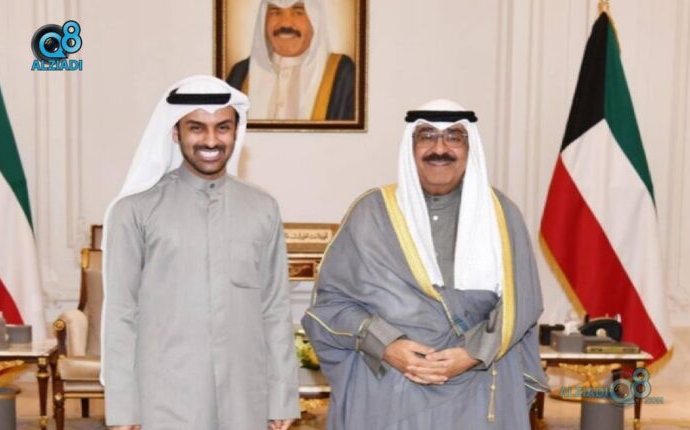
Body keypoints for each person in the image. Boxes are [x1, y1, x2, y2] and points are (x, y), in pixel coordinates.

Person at [301, 99, 549, 429]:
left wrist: (472, 353)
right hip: (389, 391)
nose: (440, 148)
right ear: (411, 146)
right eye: (427, 136)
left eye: (454, 137)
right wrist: (386, 344)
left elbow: (522, 301)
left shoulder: (501, 215)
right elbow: (331, 304)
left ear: (470, 147)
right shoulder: (372, 212)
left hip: (477, 389)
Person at [101, 75, 300, 430]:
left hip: (245, 397)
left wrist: (282, 395)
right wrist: (123, 408)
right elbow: (120, 313)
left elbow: (275, 308)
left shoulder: (262, 207)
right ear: (175, 133)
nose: (211, 140)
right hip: (164, 400)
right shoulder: (134, 211)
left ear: (236, 132)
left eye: (222, 127)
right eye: (196, 128)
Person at [226, 0, 355, 121]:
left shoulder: (342, 73)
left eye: (298, 12)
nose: (285, 23)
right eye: (275, 12)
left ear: (315, 19)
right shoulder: (241, 74)